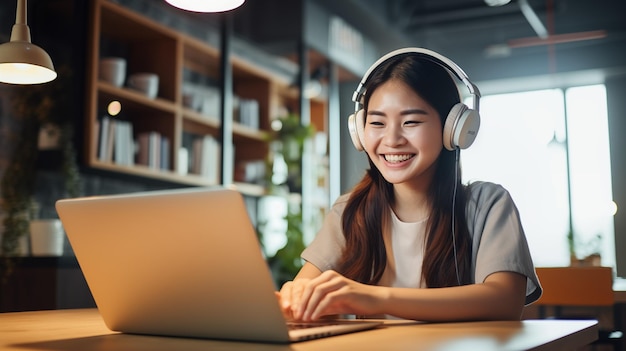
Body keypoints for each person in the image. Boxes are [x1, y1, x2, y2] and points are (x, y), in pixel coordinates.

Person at [277, 47, 542, 322]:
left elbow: (504, 300)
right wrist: (295, 297)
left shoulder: (487, 204)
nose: (392, 139)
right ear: (360, 130)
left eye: (411, 121)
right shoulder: (350, 211)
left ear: (454, 129)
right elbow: (302, 291)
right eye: (377, 122)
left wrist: (372, 297)